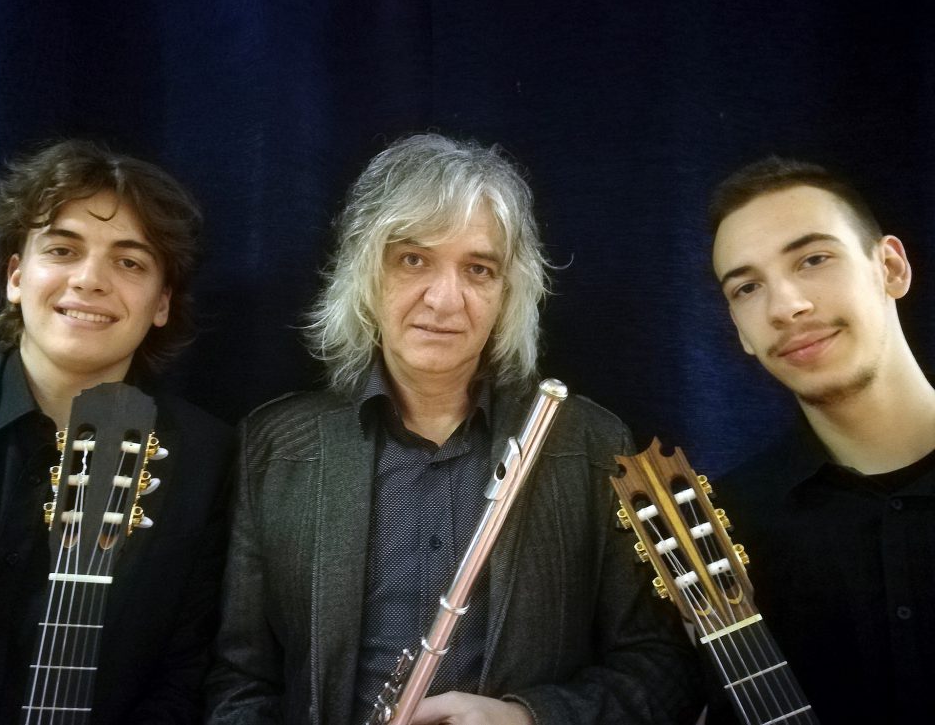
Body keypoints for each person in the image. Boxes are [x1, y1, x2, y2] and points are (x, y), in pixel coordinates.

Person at [206, 133, 703, 724]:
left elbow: (662, 669)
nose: (445, 300)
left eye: (478, 269)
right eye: (413, 260)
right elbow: (240, 681)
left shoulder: (590, 444)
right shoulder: (276, 446)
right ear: (366, 272)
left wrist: (529, 718)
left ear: (508, 293)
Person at [0, 139, 234, 724]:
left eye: (129, 263)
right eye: (63, 250)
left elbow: (187, 674)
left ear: (161, 303)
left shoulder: (208, 461)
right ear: (15, 276)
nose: (89, 280)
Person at [708, 156, 935, 722]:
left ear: (891, 268)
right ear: (740, 331)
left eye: (813, 259)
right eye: (747, 287)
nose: (786, 308)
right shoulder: (727, 528)